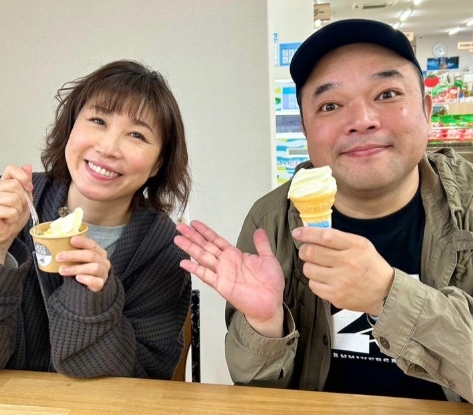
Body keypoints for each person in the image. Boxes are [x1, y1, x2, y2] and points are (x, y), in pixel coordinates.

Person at [174, 19, 473, 402]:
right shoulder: (271, 221)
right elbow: (257, 391)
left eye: (387, 94)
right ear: (305, 128)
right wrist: (266, 325)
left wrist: (388, 295)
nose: (361, 121)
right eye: (330, 105)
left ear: (427, 111)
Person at [0, 60, 192, 379]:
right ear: (71, 126)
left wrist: (93, 297)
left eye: (136, 135)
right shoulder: (10, 207)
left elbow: (146, 380)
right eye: (98, 120)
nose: (108, 148)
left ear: (158, 163)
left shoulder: (165, 253)